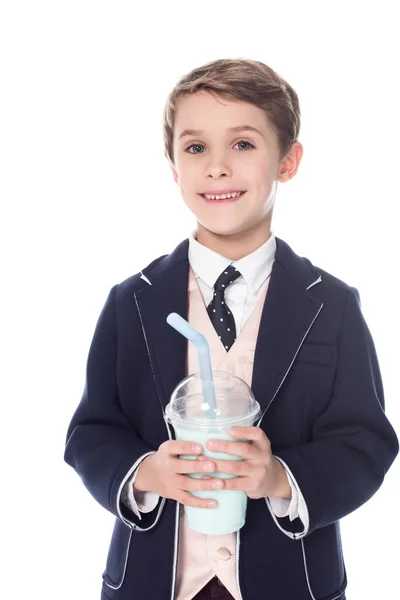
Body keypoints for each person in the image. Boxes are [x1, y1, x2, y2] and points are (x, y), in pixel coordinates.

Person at [64, 58, 399, 600]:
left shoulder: (332, 305)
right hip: (156, 582)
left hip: (288, 582)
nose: (217, 168)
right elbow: (91, 430)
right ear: (173, 167)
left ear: (288, 162)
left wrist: (279, 478)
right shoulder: (131, 301)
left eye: (242, 144)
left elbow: (365, 442)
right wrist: (146, 473)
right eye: (195, 148)